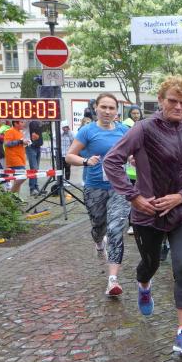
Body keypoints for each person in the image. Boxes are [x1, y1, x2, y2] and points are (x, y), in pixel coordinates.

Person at [104, 76, 182, 355]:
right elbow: (112, 161)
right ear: (161, 100)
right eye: (172, 101)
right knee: (149, 264)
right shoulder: (142, 129)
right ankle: (144, 284)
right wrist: (134, 197)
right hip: (148, 213)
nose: (178, 107)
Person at [65, 93, 130, 296]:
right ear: (96, 108)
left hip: (119, 187)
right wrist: (85, 161)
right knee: (98, 226)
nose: (108, 111)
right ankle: (98, 242)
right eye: (104, 107)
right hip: (95, 187)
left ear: (117, 111)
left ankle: (113, 280)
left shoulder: (124, 130)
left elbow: (133, 152)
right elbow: (69, 156)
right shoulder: (87, 131)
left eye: (112, 108)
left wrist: (133, 158)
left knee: (116, 229)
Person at [3, 121, 31, 197]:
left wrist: (25, 143)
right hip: (14, 158)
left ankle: (16, 197)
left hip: (21, 158)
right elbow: (7, 143)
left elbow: (19, 143)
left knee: (18, 179)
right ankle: (10, 195)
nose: (23, 124)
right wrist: (20, 141)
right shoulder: (10, 131)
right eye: (21, 122)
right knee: (23, 176)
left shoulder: (20, 132)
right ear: (15, 123)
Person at [26, 120, 43, 195]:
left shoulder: (37, 122)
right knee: (34, 168)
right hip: (31, 146)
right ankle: (32, 188)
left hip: (38, 146)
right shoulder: (29, 122)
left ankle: (36, 186)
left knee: (36, 168)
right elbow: (34, 136)